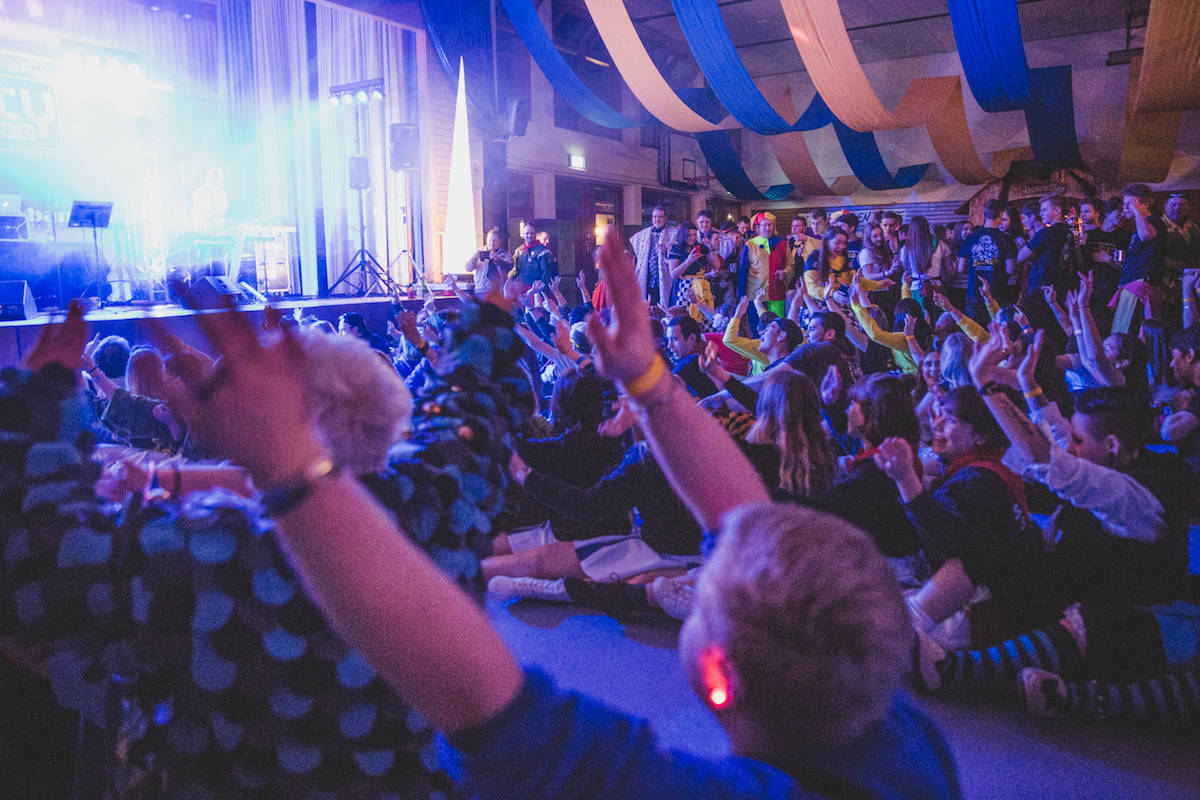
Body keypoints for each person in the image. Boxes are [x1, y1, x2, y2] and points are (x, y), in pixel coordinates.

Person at [116, 236, 961, 798]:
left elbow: (474, 680)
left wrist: (287, 462)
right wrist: (648, 381)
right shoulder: (893, 736)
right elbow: (748, 519)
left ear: (716, 676)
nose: (727, 538)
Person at [1111, 183, 1167, 334]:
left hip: (1140, 285)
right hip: (1131, 282)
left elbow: (1146, 236)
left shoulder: (1155, 222)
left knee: (1129, 331)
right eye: (1124, 204)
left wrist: (1137, 212)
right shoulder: (1139, 225)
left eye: (1130, 203)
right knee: (1122, 328)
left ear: (1145, 203)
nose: (1125, 208)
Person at [957, 205, 1014, 324]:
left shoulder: (970, 238)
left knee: (974, 330)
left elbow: (961, 268)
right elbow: (1010, 269)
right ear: (1000, 215)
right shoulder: (1006, 239)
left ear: (984, 215)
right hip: (997, 292)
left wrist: (975, 271)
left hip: (974, 290)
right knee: (998, 329)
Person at [736, 211, 789, 327]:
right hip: (755, 292)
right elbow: (743, 269)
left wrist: (785, 272)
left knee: (777, 325)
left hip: (777, 292)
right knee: (756, 325)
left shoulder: (782, 243)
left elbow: (790, 264)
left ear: (774, 226)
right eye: (764, 225)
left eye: (770, 225)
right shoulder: (750, 244)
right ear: (758, 227)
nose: (767, 228)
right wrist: (741, 293)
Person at [665, 314, 720, 398]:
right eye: (668, 340)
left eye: (674, 339)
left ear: (692, 338)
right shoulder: (709, 355)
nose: (669, 346)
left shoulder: (684, 368)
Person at [629, 205, 673, 306]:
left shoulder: (673, 233)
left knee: (664, 306)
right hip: (648, 278)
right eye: (655, 216)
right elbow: (638, 253)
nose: (657, 219)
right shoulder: (643, 234)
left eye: (660, 217)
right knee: (648, 306)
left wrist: (667, 250)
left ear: (665, 218)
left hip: (665, 277)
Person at [467, 226, 514, 294]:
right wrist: (474, 258)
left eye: (494, 241)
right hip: (481, 290)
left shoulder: (505, 254)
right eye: (490, 241)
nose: (492, 243)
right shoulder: (480, 253)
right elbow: (468, 268)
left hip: (498, 292)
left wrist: (497, 259)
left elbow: (510, 268)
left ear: (499, 241)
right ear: (486, 241)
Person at [511, 221, 558, 287]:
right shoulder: (519, 252)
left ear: (536, 234)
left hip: (538, 291)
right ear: (523, 234)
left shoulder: (543, 252)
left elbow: (546, 275)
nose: (529, 236)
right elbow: (516, 272)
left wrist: (542, 291)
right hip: (522, 290)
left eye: (532, 233)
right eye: (527, 233)